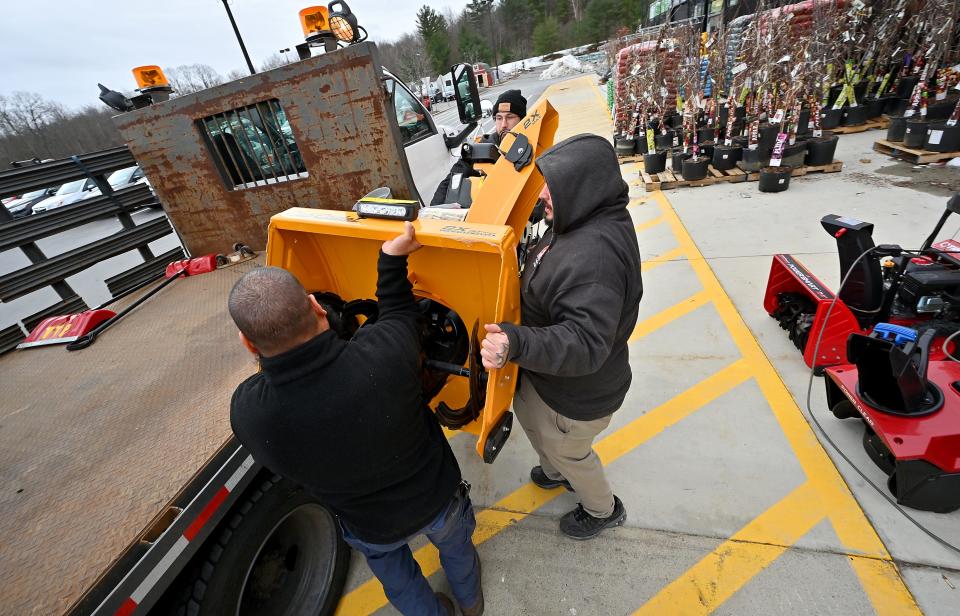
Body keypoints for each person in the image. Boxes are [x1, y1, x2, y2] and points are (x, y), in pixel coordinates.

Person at [228, 222, 483, 616]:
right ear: (316, 307)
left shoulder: (249, 413)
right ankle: (471, 602)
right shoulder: (383, 356)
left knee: (398, 580)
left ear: (248, 344)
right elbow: (399, 310)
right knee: (458, 549)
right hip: (435, 499)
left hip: (368, 526)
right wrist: (390, 258)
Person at [479, 134, 643, 540]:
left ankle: (601, 508)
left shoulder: (595, 260)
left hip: (577, 397)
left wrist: (515, 344)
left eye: (553, 185)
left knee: (569, 451)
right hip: (549, 380)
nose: (544, 193)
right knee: (539, 431)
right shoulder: (584, 215)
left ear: (583, 188)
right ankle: (554, 470)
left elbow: (584, 344)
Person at [429, 89, 527, 206]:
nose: (504, 124)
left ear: (522, 120)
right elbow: (452, 178)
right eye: (499, 118)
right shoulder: (483, 147)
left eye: (510, 117)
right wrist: (434, 211)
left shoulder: (531, 147)